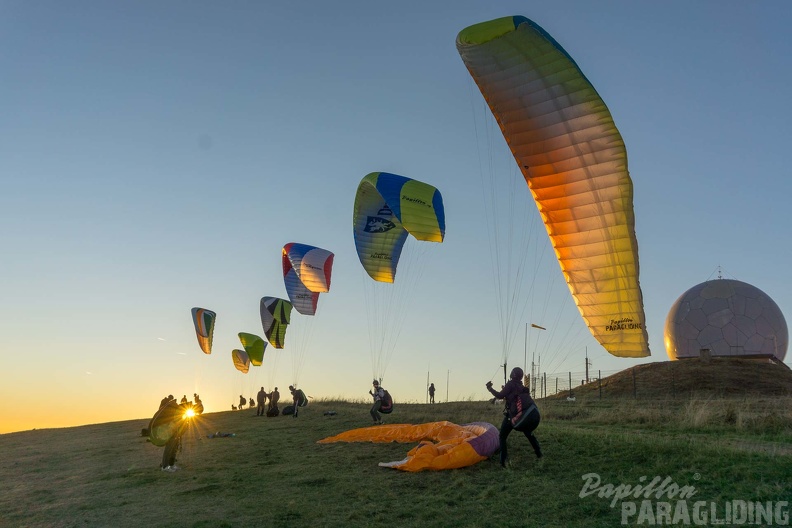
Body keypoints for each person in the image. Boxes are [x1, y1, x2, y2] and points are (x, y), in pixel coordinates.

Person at [485, 367, 542, 467]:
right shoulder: (521, 386)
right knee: (528, 433)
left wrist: (490, 389)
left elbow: (499, 396)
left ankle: (503, 461)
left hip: (513, 416)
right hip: (524, 415)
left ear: (513, 374)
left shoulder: (510, 384)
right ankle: (539, 454)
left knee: (502, 436)